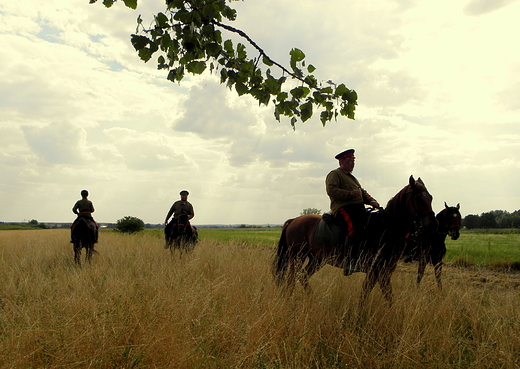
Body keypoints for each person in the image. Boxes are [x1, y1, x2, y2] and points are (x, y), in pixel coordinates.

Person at [325, 149, 380, 275]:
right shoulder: (335, 174)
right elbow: (331, 190)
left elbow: (361, 192)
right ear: (342, 162)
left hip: (357, 208)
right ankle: (349, 261)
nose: (352, 164)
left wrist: (371, 200)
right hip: (342, 208)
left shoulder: (352, 178)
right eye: (350, 161)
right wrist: (350, 194)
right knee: (353, 227)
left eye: (353, 161)